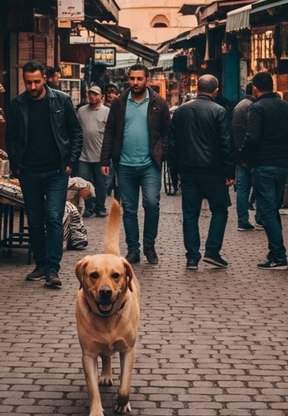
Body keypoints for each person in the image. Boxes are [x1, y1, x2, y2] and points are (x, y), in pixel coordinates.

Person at [5, 61, 83, 288]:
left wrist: (70, 163)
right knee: (36, 221)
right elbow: (10, 137)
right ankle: (40, 263)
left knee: (53, 217)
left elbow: (76, 132)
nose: (32, 86)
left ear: (45, 79)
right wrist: (16, 164)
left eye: (36, 81)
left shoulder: (61, 100)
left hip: (56, 171)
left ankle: (52, 269)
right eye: (28, 82)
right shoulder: (17, 104)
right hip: (28, 171)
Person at [100, 63, 171, 265]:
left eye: (139, 79)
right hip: (124, 164)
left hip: (150, 164)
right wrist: (105, 159)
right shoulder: (120, 102)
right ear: (128, 79)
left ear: (147, 80)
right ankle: (133, 249)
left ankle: (149, 246)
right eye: (132, 78)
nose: (135, 82)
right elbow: (110, 132)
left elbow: (167, 132)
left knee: (151, 204)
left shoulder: (159, 103)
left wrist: (162, 152)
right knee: (129, 208)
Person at [168, 75, 236, 270]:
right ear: (216, 90)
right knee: (220, 210)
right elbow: (226, 143)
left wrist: (176, 170)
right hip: (213, 171)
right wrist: (230, 171)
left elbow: (172, 143)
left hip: (188, 171)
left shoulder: (181, 111)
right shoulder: (219, 111)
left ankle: (192, 257)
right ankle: (212, 251)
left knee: (190, 214)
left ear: (197, 89)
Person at [238, 72, 288, 271]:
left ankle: (279, 256)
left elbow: (253, 137)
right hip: (282, 165)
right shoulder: (287, 108)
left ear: (255, 88)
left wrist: (242, 157)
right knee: (272, 210)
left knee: (266, 212)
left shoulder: (257, 108)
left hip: (264, 165)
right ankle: (274, 253)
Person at [77, 86, 110, 218]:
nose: (92, 97)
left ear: (101, 96)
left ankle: (100, 207)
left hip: (100, 156)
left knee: (100, 184)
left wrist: (107, 156)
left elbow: (110, 134)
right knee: (84, 184)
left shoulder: (107, 111)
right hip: (83, 156)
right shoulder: (81, 111)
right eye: (90, 94)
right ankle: (89, 206)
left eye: (95, 95)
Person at [231, 82, 256, 231]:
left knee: (242, 189)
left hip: (240, 154)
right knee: (256, 187)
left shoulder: (239, 105)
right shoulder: (252, 107)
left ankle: (242, 219)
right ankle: (259, 218)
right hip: (249, 154)